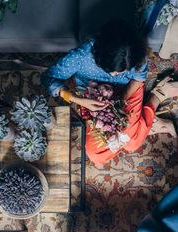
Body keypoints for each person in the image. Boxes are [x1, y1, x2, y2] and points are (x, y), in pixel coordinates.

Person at [41, 19, 178, 166]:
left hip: (127, 91)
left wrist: (120, 101)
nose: (114, 75)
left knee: (132, 145)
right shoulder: (81, 56)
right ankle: (150, 121)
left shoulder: (136, 53)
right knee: (96, 156)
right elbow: (48, 78)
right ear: (100, 58)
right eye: (110, 70)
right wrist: (78, 100)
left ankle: (156, 97)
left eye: (122, 72)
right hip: (92, 97)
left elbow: (138, 79)